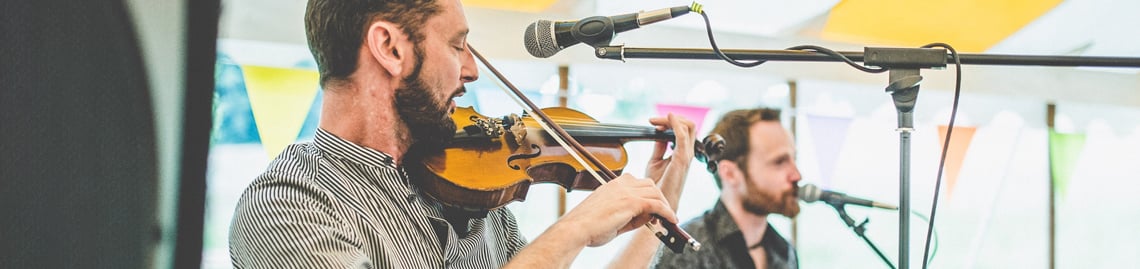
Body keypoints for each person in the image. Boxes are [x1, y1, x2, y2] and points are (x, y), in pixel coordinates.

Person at [228, 0, 696, 268]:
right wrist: (573, 229)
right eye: (456, 45)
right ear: (390, 48)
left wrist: (660, 192)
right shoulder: (287, 205)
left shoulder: (479, 196)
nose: (471, 69)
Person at [654, 108, 801, 269]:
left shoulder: (785, 251)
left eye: (793, 159)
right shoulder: (683, 251)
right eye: (779, 162)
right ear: (729, 173)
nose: (797, 175)